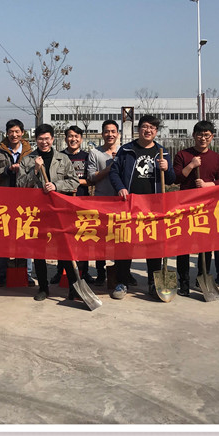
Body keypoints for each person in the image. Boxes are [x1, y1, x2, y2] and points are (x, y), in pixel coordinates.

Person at [108, 115, 175, 300]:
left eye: (152, 127)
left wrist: (166, 168)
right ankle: (122, 281)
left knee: (153, 244)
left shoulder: (162, 152)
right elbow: (114, 172)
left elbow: (171, 179)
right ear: (139, 129)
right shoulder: (126, 149)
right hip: (129, 204)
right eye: (145, 127)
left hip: (153, 206)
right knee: (125, 243)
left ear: (156, 131)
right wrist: (120, 187)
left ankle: (154, 282)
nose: (148, 130)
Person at [17, 124, 81, 302]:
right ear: (35, 140)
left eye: (47, 139)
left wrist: (56, 186)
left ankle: (74, 287)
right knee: (39, 251)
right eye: (40, 139)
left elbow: (74, 181)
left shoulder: (62, 159)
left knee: (65, 249)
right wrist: (35, 170)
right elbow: (20, 185)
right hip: (37, 211)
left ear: (52, 139)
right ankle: (43, 288)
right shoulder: (28, 160)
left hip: (58, 211)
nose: (44, 142)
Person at [173, 120, 219, 296]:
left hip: (207, 207)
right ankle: (183, 281)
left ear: (212, 137)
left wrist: (207, 185)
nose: (203, 138)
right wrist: (191, 165)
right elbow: (176, 178)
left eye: (207, 135)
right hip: (185, 206)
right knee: (183, 246)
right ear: (194, 135)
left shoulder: (216, 158)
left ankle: (201, 276)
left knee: (206, 245)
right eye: (200, 135)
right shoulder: (183, 155)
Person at [0, 119, 35, 287]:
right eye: (11, 132)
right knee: (3, 238)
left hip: (24, 201)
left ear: (22, 133)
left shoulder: (31, 153)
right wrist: (7, 170)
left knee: (25, 238)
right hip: (3, 202)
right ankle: (2, 274)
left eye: (17, 131)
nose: (14, 135)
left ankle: (26, 274)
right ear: (6, 133)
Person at [52, 125, 96, 284]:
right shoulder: (59, 156)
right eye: (70, 136)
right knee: (63, 238)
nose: (73, 139)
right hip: (63, 201)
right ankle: (61, 271)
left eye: (76, 136)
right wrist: (68, 185)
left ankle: (84, 271)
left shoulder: (87, 156)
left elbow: (91, 179)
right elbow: (55, 179)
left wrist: (75, 182)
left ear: (81, 139)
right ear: (65, 139)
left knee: (83, 237)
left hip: (82, 201)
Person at [85, 119, 124, 285]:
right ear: (102, 134)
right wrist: (109, 168)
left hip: (121, 202)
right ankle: (100, 273)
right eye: (107, 131)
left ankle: (122, 272)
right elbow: (91, 177)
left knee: (121, 239)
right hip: (101, 200)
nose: (110, 134)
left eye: (113, 131)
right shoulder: (95, 153)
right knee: (100, 239)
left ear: (118, 134)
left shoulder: (124, 151)